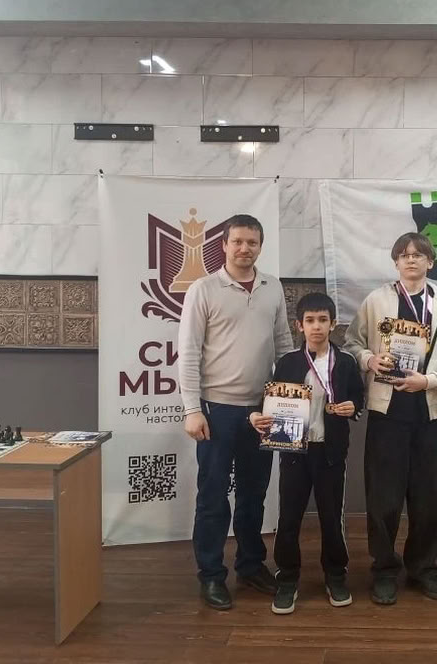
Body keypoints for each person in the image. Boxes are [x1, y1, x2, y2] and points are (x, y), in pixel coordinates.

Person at [345, 231, 437, 605]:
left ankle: (423, 567)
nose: (411, 259)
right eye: (404, 254)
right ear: (396, 262)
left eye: (418, 254)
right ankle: (384, 569)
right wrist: (370, 360)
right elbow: (352, 343)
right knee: (383, 497)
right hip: (387, 412)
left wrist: (428, 380)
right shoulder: (376, 300)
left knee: (425, 496)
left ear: (430, 262)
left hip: (426, 411)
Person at [178, 213, 293, 611]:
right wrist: (192, 409)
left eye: (252, 242)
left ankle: (250, 565)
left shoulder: (272, 287)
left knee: (253, 494)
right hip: (216, 410)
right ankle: (211, 575)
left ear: (260, 246)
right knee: (213, 496)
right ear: (224, 245)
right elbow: (188, 352)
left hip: (264, 409)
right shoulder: (203, 289)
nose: (245, 249)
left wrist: (290, 398)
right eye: (238, 242)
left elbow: (283, 344)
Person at [249, 292, 365, 615]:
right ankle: (287, 577)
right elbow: (271, 400)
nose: (316, 327)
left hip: (330, 452)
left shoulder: (345, 362)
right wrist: (259, 416)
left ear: (333, 324)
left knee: (332, 516)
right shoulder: (288, 362)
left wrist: (353, 407)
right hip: (294, 453)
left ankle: (335, 574)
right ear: (298, 325)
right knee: (289, 517)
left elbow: (358, 396)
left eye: (323, 320)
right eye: (310, 321)